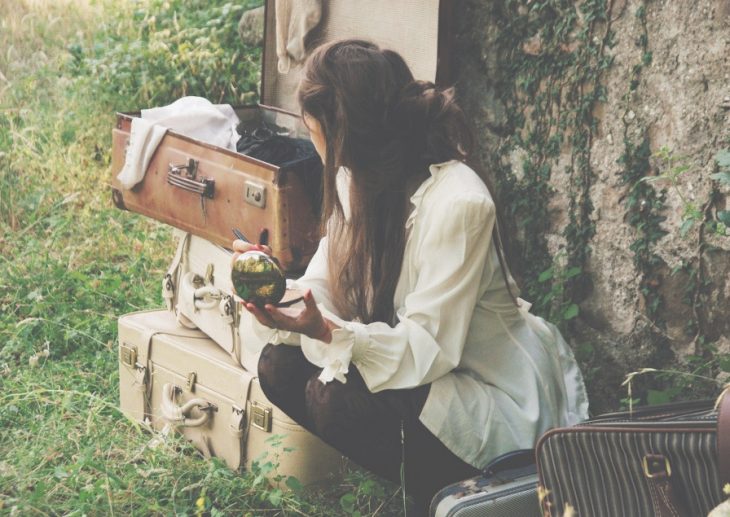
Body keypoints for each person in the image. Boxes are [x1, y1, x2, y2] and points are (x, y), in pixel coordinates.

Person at [232, 39, 589, 515]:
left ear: (342, 131)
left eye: (311, 127)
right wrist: (279, 292)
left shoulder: (459, 202)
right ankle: (426, 476)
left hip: (488, 390)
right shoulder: (352, 177)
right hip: (420, 371)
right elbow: (324, 284)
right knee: (279, 365)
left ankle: (456, 491)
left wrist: (325, 332)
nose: (311, 139)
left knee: (332, 396)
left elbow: (429, 350)